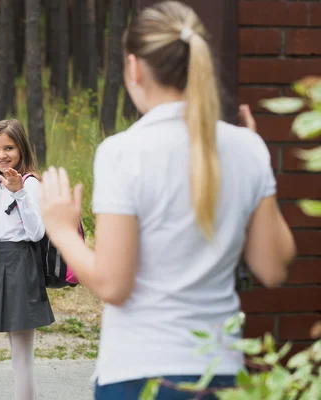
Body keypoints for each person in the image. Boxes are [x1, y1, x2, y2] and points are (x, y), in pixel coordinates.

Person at [37, 2, 296, 399]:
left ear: (135, 68)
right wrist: (258, 171)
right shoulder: (247, 148)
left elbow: (113, 283)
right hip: (222, 374)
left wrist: (60, 229)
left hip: (140, 374)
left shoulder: (122, 152)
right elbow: (273, 268)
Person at [0, 119, 55, 400]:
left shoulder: (29, 184)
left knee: (22, 356)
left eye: (8, 147)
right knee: (16, 354)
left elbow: (36, 232)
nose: (1, 155)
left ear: (22, 148)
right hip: (3, 265)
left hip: (22, 266)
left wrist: (19, 192)